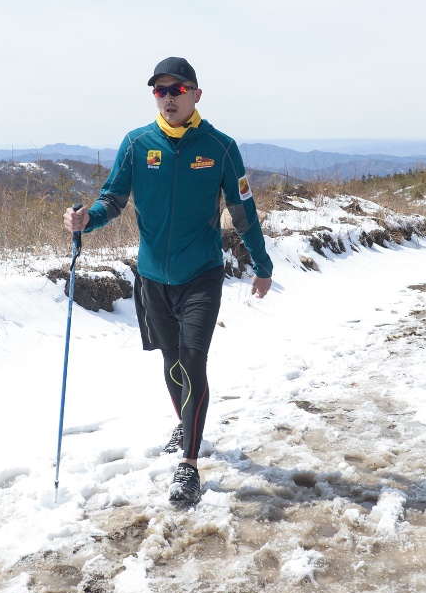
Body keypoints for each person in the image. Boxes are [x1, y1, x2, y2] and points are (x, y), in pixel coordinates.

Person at [63, 57, 274, 507]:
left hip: (201, 274)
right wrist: (86, 220)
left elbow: (242, 211)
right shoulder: (137, 144)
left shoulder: (219, 146)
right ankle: (187, 421)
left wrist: (262, 264)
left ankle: (189, 465)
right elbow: (112, 199)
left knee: (194, 361)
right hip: (152, 277)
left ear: (197, 93)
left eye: (177, 89)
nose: (168, 97)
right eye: (160, 90)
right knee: (173, 360)